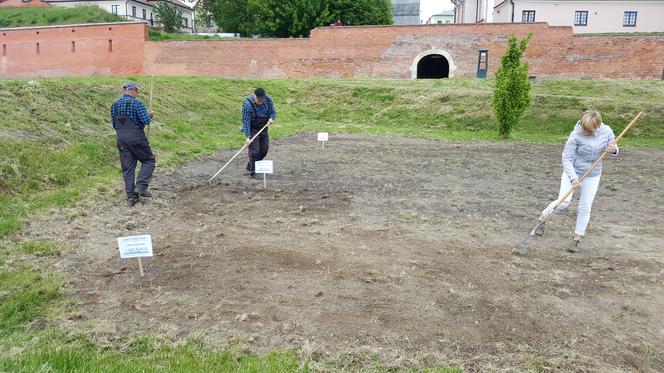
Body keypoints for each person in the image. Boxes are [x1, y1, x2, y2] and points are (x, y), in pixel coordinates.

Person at [538, 110, 618, 252]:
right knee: (564, 202)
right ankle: (543, 217)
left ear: (597, 127)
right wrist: (573, 178)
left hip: (593, 174)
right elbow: (566, 158)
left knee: (585, 207)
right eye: (585, 129)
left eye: (590, 130)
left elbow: (614, 147)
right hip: (573, 172)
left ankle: (577, 238)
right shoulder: (575, 134)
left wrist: (613, 150)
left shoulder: (606, 131)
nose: (586, 132)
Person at [111, 81, 156, 207]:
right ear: (134, 90)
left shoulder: (114, 105)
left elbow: (114, 124)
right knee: (149, 161)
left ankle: (131, 197)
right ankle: (141, 186)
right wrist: (150, 115)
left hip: (121, 139)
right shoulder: (137, 103)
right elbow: (146, 120)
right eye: (137, 91)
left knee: (128, 168)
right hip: (136, 137)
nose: (137, 94)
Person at [241, 87, 276, 179]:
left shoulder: (268, 101)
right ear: (254, 96)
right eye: (259, 99)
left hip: (263, 128)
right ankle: (254, 171)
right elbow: (246, 121)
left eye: (262, 99)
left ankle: (251, 164)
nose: (261, 101)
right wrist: (248, 137)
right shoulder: (247, 104)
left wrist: (271, 118)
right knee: (255, 151)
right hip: (253, 129)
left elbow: (273, 112)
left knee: (264, 149)